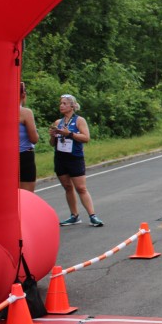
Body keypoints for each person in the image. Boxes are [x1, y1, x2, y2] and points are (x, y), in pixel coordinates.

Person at [51, 94, 102, 227]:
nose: (61, 106)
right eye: (60, 103)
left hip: (75, 158)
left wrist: (69, 134)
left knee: (81, 188)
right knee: (68, 187)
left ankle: (92, 216)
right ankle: (74, 216)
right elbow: (52, 143)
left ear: (72, 106)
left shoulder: (79, 120)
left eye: (64, 103)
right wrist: (53, 136)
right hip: (60, 158)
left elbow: (86, 138)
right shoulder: (58, 122)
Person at [19, 81, 39, 192]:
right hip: (24, 155)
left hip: (5, 157)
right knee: (26, 195)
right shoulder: (25, 112)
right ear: (23, 94)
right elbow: (34, 139)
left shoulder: (0, 111)